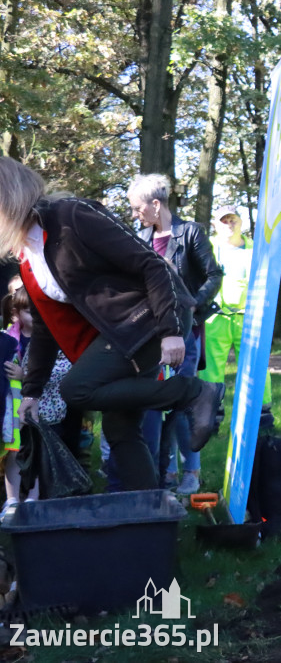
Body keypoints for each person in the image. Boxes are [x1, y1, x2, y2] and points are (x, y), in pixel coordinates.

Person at [0, 157, 223, 492]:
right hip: (116, 335)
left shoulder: (71, 216)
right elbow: (46, 326)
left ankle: (194, 392)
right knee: (122, 433)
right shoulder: (28, 255)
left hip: (147, 320)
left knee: (75, 388)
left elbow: (153, 265)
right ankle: (149, 514)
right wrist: (32, 390)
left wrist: (171, 332)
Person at [130, 173, 223, 494]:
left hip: (186, 332)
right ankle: (165, 472)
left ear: (156, 204)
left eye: (138, 208)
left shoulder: (190, 233)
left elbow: (213, 274)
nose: (135, 214)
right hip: (152, 335)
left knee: (182, 400)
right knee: (157, 402)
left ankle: (192, 472)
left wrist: (194, 303)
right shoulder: (140, 238)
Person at [200, 205, 274, 432]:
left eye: (233, 220)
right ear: (215, 224)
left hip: (248, 319)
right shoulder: (207, 248)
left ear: (241, 222)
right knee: (210, 370)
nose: (229, 225)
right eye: (224, 221)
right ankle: (209, 419)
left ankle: (261, 418)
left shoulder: (257, 248)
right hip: (216, 318)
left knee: (255, 366)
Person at [2, 285, 71, 507]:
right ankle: (13, 499)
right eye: (28, 311)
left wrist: (27, 376)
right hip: (13, 410)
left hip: (47, 411)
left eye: (37, 310)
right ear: (16, 312)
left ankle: (35, 497)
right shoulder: (9, 338)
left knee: (42, 454)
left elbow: (64, 368)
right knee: (16, 452)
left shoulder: (56, 336)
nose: (34, 316)